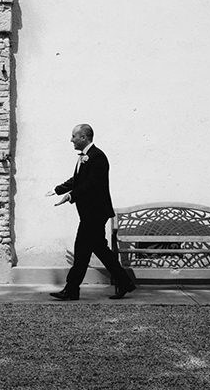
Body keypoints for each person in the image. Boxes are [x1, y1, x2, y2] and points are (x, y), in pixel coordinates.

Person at [46, 123, 136, 301]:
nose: (71, 140)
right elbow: (78, 179)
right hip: (89, 213)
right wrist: (58, 190)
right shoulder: (85, 157)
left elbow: (92, 185)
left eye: (74, 136)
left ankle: (71, 290)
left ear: (84, 137)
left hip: (95, 214)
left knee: (81, 251)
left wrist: (71, 196)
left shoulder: (98, 157)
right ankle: (125, 283)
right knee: (100, 250)